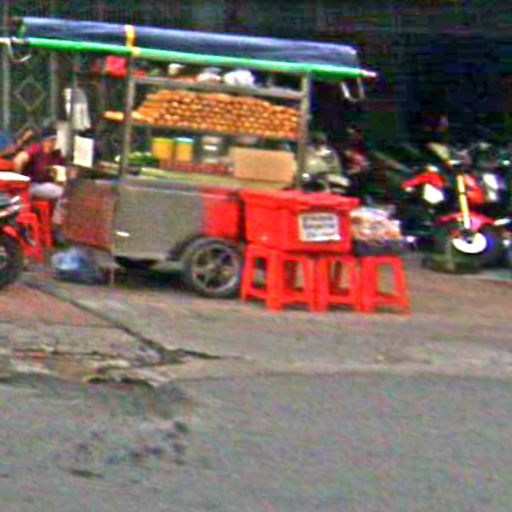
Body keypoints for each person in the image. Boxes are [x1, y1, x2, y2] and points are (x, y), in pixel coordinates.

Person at [13, 127, 65, 201]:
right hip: (32, 184)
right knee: (61, 192)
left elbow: (61, 175)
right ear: (45, 141)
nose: (54, 142)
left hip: (46, 184)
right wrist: (18, 181)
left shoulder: (56, 154)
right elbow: (19, 159)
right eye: (52, 140)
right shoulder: (37, 149)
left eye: (55, 140)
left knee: (65, 192)